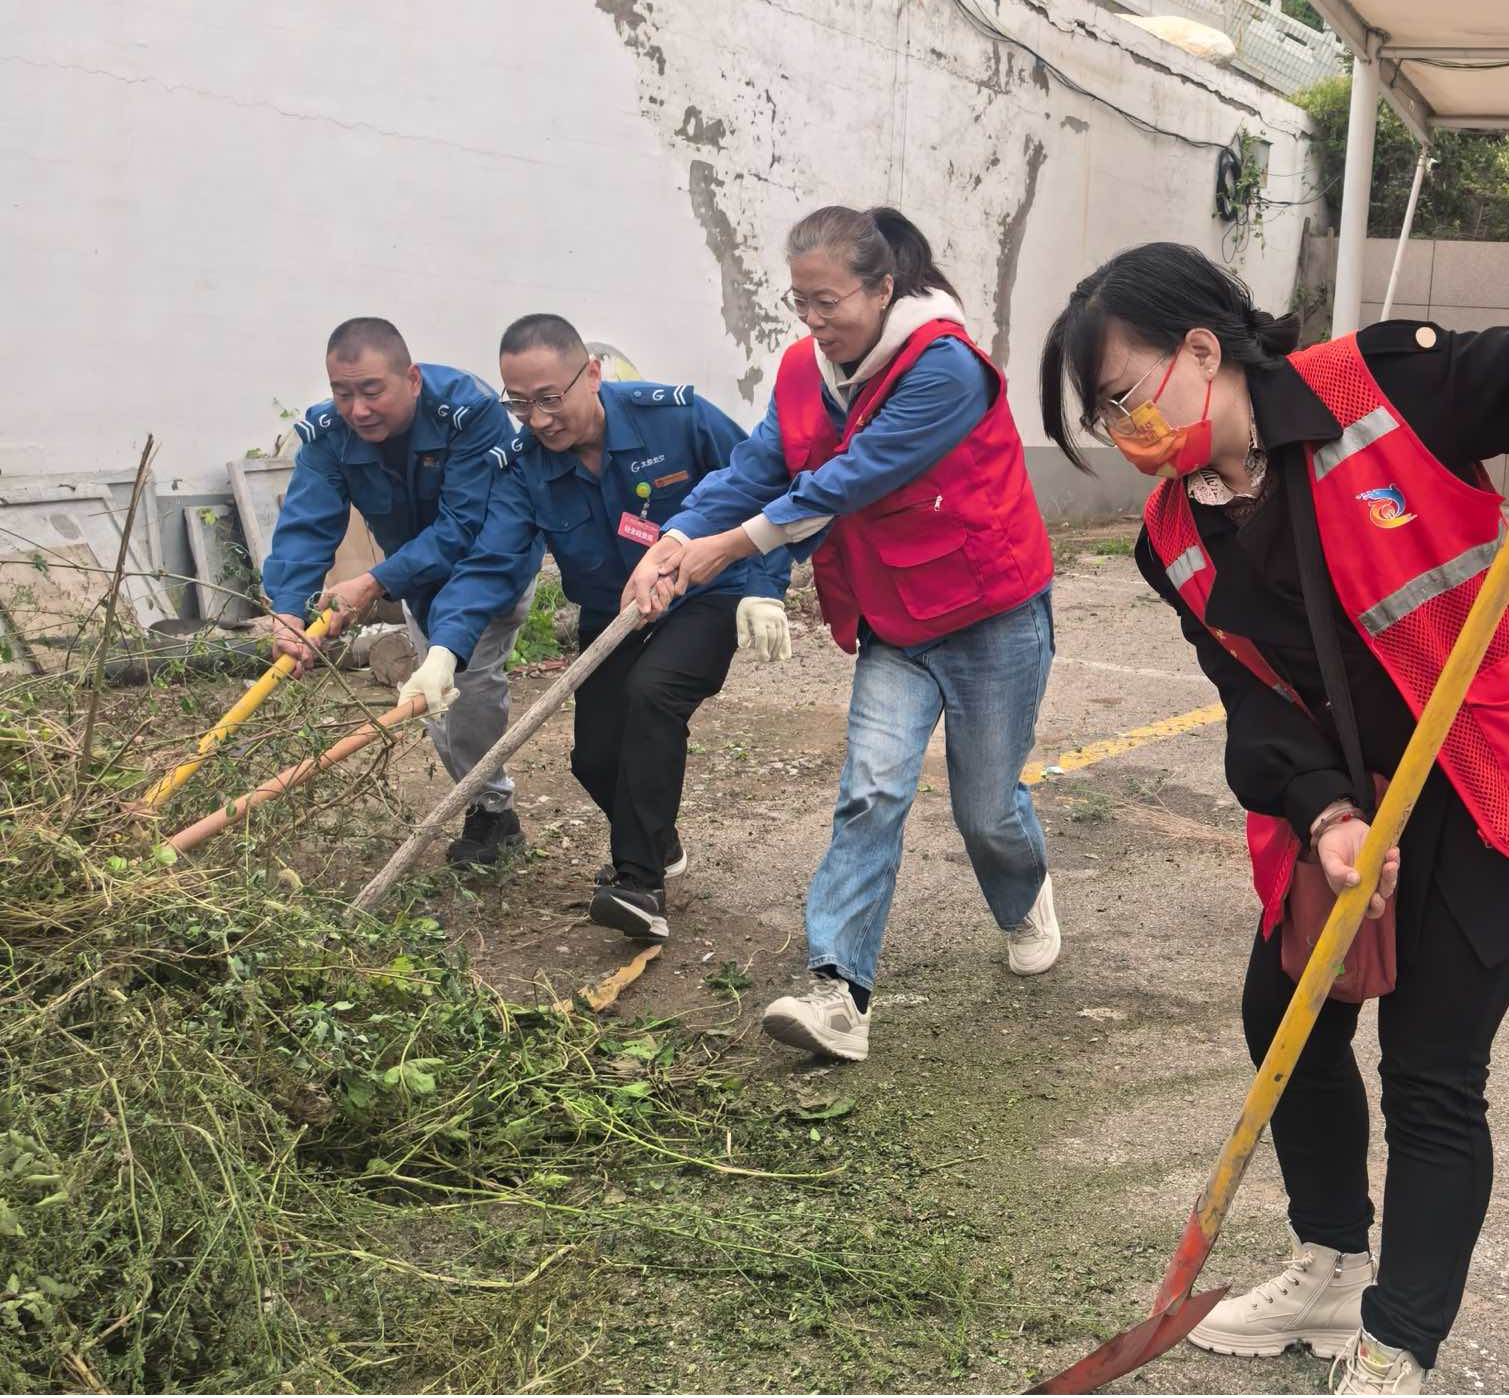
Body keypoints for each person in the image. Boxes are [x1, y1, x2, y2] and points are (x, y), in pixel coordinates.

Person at [1038, 244, 1509, 1397]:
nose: (1124, 431)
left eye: (1124, 397)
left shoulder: (1377, 385)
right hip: (1354, 794)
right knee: (1284, 1012)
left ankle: (1397, 1339)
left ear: (1201, 351)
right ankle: (1329, 1263)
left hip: (1491, 767)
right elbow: (1253, 700)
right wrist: (1324, 812)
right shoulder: (1171, 536)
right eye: (1103, 416)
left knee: (1429, 1062)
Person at [623, 206, 1058, 1065]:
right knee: (871, 791)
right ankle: (838, 992)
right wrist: (675, 538)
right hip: (894, 619)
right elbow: (757, 467)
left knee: (985, 809)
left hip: (990, 615)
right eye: (801, 302)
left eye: (829, 302)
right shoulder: (803, 371)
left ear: (883, 288)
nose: (814, 321)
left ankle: (1024, 894)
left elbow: (851, 479)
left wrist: (729, 549)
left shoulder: (945, 368)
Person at [412, 314, 790, 941]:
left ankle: (639, 883)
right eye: (519, 404)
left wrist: (763, 587)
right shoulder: (523, 466)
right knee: (593, 757)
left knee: (652, 694)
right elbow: (491, 561)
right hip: (612, 614)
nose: (537, 420)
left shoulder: (676, 418)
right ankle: (655, 837)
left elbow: (764, 487)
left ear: (590, 373)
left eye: (549, 399)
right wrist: (444, 650)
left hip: (705, 592)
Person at [261, 317, 530, 868]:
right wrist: (288, 610)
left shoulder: (469, 413)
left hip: (487, 566)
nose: (358, 409)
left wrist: (372, 582)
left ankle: (491, 809)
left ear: (411, 379)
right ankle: (485, 798)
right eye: (343, 393)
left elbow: (465, 526)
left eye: (371, 391)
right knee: (433, 698)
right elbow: (308, 522)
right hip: (416, 579)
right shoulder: (330, 432)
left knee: (468, 684)